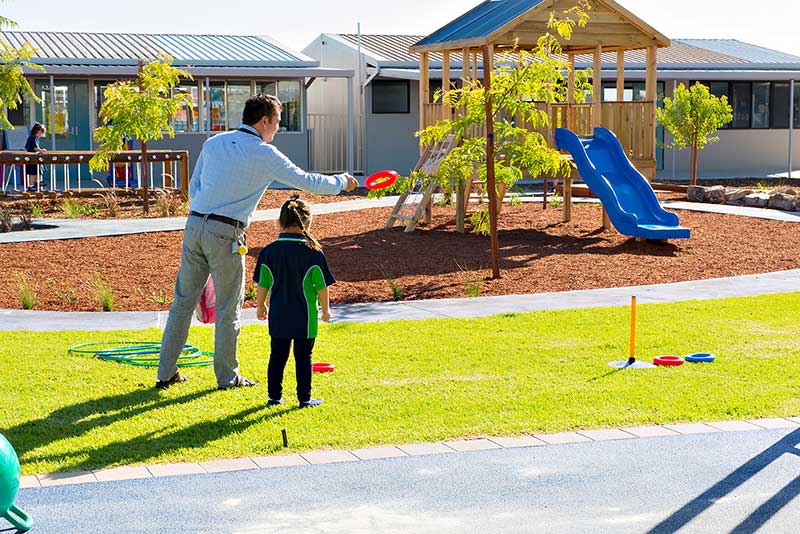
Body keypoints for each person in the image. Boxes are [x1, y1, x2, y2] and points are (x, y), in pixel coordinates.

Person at [156, 93, 358, 390]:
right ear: (264, 121)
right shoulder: (265, 154)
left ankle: (165, 373)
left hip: (195, 225)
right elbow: (307, 181)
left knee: (182, 304)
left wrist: (206, 213)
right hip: (226, 232)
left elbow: (194, 186)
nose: (277, 128)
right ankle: (228, 377)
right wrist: (342, 181)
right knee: (228, 308)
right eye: (276, 122)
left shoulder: (213, 143)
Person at [254, 195, 333, 408]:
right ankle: (304, 399)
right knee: (304, 356)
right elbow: (321, 286)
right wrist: (325, 310)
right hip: (305, 318)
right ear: (307, 221)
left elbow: (263, 282)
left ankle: (274, 397)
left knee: (277, 356)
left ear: (280, 221)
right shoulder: (313, 252)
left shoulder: (269, 251)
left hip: (278, 316)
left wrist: (260, 305)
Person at [24, 123, 47, 192]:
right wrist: (41, 150)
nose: (42, 135)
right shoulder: (33, 138)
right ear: (39, 131)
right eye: (42, 133)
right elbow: (35, 148)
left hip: (33, 158)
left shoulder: (31, 138)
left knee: (39, 170)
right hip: (32, 158)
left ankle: (39, 183)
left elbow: (27, 147)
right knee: (33, 172)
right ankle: (31, 186)